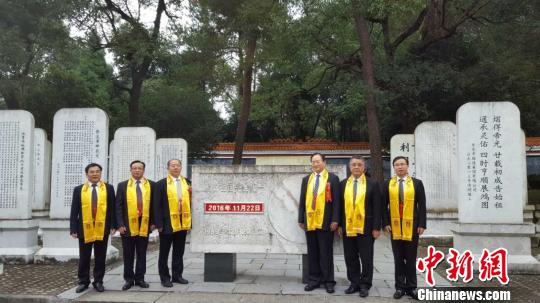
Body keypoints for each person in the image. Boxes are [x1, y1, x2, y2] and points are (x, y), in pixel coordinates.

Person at [382, 156, 426, 300]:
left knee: (411, 258)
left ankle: (412, 287)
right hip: (394, 226)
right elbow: (384, 206)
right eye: (397, 165)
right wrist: (386, 223)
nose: (400, 167)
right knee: (398, 258)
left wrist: (421, 224)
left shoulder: (417, 183)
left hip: (412, 225)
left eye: (402, 164)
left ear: (407, 166)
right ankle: (400, 287)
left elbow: (422, 206)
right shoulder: (388, 183)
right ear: (394, 167)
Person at [339, 155, 381, 297]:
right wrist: (339, 225)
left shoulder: (373, 184)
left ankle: (365, 285)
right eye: (353, 165)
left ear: (364, 167)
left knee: (366, 258)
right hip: (348, 227)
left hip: (367, 228)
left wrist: (376, 227)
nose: (356, 167)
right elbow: (340, 207)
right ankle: (354, 283)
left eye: (359, 164)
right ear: (350, 167)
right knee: (350, 257)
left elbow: (377, 207)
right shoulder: (343, 184)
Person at [298, 153, 341, 293]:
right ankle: (314, 280)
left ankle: (328, 281)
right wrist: (301, 219)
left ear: (324, 162)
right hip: (310, 221)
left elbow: (336, 202)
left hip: (326, 222)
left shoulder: (333, 179)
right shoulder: (306, 179)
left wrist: (335, 220)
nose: (315, 164)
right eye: (313, 162)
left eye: (318, 161)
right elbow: (302, 201)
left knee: (326, 253)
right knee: (313, 252)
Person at [70, 163, 116, 293]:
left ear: (101, 173)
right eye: (92, 172)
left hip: (103, 228)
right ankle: (83, 281)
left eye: (97, 171)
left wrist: (113, 225)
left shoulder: (108, 188)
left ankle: (98, 281)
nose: (95, 174)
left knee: (100, 256)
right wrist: (73, 228)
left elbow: (112, 209)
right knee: (84, 256)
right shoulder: (79, 189)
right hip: (84, 228)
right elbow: (74, 210)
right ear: (87, 174)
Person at [115, 160, 155, 290]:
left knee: (142, 254)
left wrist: (153, 223)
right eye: (134, 168)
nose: (137, 170)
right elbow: (118, 207)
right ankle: (128, 279)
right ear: (130, 170)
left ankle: (140, 279)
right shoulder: (122, 186)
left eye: (140, 168)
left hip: (144, 224)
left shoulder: (151, 185)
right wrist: (119, 224)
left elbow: (154, 206)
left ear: (143, 170)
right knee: (128, 254)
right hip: (127, 226)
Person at [153, 159, 192, 287]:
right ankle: (164, 278)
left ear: (181, 167)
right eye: (173, 165)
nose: (175, 168)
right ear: (168, 168)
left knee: (179, 252)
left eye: (178, 165)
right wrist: (158, 224)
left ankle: (177, 275)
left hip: (182, 223)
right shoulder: (161, 184)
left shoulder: (187, 182)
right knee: (164, 253)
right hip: (166, 224)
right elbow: (156, 206)